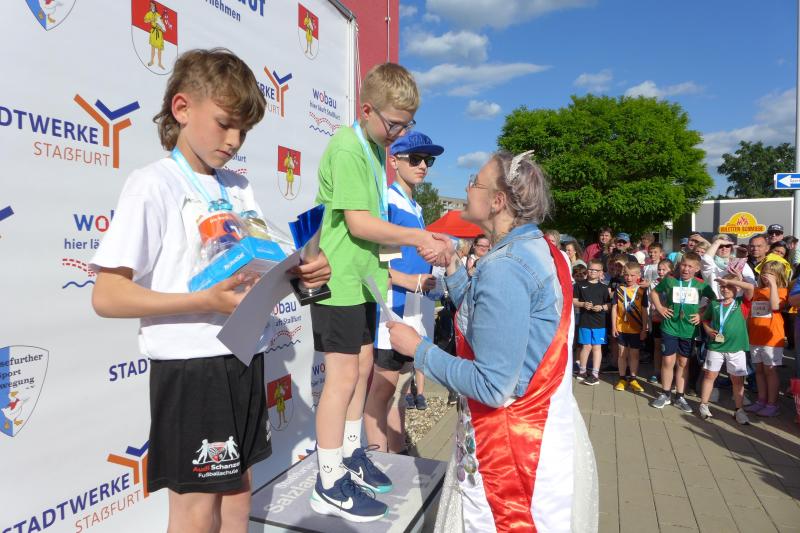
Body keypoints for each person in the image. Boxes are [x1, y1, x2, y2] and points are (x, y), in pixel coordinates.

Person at [89, 49, 331, 532]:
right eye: (224, 124)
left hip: (244, 357)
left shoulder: (238, 187)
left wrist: (302, 274)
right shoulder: (153, 185)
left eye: (244, 130)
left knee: (238, 495)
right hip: (192, 368)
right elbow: (107, 295)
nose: (234, 140)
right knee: (196, 511)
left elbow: (253, 270)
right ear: (182, 108)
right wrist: (203, 301)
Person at [387, 151, 597, 532]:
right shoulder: (540, 250)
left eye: (475, 182)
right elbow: (488, 320)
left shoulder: (505, 267)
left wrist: (419, 350)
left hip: (509, 454)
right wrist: (453, 264)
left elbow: (491, 384)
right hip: (539, 433)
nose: (467, 188)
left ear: (498, 201)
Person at [310, 62, 448, 522]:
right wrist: (418, 237)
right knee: (342, 379)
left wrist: (397, 263)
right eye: (394, 124)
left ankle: (351, 454)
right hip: (339, 283)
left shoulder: (371, 148)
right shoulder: (348, 147)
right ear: (367, 109)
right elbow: (358, 224)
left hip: (364, 281)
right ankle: (329, 480)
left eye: (406, 125)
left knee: (363, 369)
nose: (399, 134)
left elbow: (374, 230)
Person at [365, 131, 443, 455]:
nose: (423, 165)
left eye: (428, 160)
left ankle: (396, 453)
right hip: (391, 309)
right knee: (382, 392)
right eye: (415, 158)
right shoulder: (386, 200)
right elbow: (373, 262)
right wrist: (409, 281)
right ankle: (377, 460)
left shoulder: (415, 205)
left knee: (401, 390)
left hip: (413, 309)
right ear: (394, 161)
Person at [649, 252, 716, 413]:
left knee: (683, 363)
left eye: (690, 266)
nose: (686, 269)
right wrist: (660, 308)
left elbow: (714, 301)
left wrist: (701, 314)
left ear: (697, 269)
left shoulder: (701, 284)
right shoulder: (670, 280)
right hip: (670, 326)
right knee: (668, 361)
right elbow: (654, 293)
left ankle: (680, 396)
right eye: (684, 265)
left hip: (689, 329)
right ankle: (665, 393)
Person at [698, 274, 754, 424]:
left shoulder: (742, 303)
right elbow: (705, 319)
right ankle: (704, 405)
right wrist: (708, 330)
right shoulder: (715, 304)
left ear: (737, 288)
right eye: (722, 286)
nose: (725, 289)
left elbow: (750, 288)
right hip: (716, 347)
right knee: (710, 375)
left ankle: (739, 410)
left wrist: (729, 281)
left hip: (736, 348)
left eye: (729, 286)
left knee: (737, 380)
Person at [745, 261, 789, 417]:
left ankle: (772, 404)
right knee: (759, 371)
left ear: (778, 276)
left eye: (771, 274)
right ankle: (761, 400)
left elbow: (775, 306)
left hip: (772, 338)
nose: (766, 276)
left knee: (770, 370)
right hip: (755, 336)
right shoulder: (757, 290)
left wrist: (773, 285)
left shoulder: (782, 290)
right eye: (764, 272)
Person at [610, 261, 648, 392]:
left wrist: (644, 328)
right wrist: (613, 326)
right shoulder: (619, 289)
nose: (629, 278)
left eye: (632, 275)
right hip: (621, 328)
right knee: (622, 353)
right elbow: (614, 308)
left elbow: (644, 311)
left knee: (634, 354)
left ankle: (633, 379)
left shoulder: (642, 291)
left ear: (638, 275)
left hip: (636, 329)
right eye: (626, 275)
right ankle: (622, 378)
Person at [574, 259, 611, 385]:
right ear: (587, 270)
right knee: (586, 346)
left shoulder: (604, 287)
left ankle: (595, 374)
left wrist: (601, 307)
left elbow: (609, 304)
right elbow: (574, 301)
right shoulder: (579, 285)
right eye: (590, 269)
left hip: (600, 322)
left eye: (596, 270)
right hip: (585, 321)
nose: (593, 272)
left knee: (596, 347)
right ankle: (582, 371)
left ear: (601, 272)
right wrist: (583, 304)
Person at [701, 234, 756, 298]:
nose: (724, 248)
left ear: (731, 248)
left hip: (737, 301)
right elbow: (706, 259)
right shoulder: (711, 265)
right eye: (720, 246)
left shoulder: (740, 263)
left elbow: (752, 284)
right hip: (717, 301)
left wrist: (739, 277)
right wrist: (717, 242)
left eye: (727, 246)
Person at [648, 259, 674, 384]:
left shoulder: (675, 283)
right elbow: (649, 303)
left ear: (671, 271)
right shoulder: (653, 283)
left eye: (664, 269)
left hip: (671, 321)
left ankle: (669, 374)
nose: (661, 272)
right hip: (657, 320)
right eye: (659, 269)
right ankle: (656, 371)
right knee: (658, 346)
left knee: (670, 350)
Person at [145, 2, 166, 69]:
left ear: (155, 6)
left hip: (159, 33)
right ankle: (152, 61)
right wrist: (151, 19)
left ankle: (159, 63)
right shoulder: (149, 14)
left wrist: (162, 28)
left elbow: (162, 24)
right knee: (153, 47)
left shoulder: (158, 15)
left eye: (153, 5)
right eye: (151, 6)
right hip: (153, 32)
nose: (152, 7)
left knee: (159, 48)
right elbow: (145, 20)